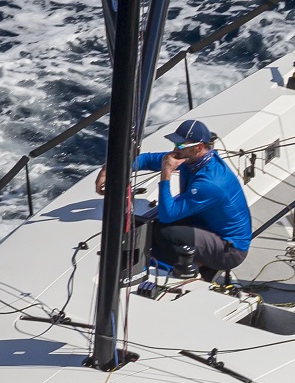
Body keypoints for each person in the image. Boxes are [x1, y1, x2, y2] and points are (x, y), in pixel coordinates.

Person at [94, 118, 252, 276]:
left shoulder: (210, 183)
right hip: (205, 225)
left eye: (181, 145)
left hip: (230, 250)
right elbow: (147, 160)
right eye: (175, 143)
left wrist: (166, 173)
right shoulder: (191, 159)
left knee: (165, 232)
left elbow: (167, 215)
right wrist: (110, 168)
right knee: (151, 227)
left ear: (198, 147)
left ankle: (189, 267)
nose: (175, 149)